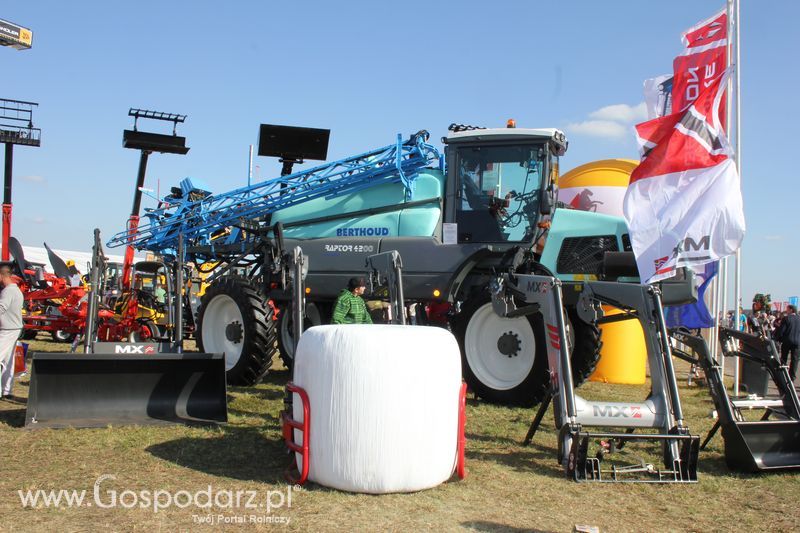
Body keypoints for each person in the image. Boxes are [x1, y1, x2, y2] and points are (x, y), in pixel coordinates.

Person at [0, 263, 24, 400]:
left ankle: (5, 390)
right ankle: (6, 390)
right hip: (14, 328)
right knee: (8, 361)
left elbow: (1, 308)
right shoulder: (16, 290)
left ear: (2, 275)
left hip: (8, 330)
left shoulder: (8, 291)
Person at [774, 304, 800, 381]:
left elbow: (782, 331)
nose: (786, 311)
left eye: (787, 309)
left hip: (787, 341)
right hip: (797, 342)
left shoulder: (786, 318)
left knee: (784, 358)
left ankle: (783, 374)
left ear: (791, 310)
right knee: (795, 360)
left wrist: (777, 339)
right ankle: (792, 377)